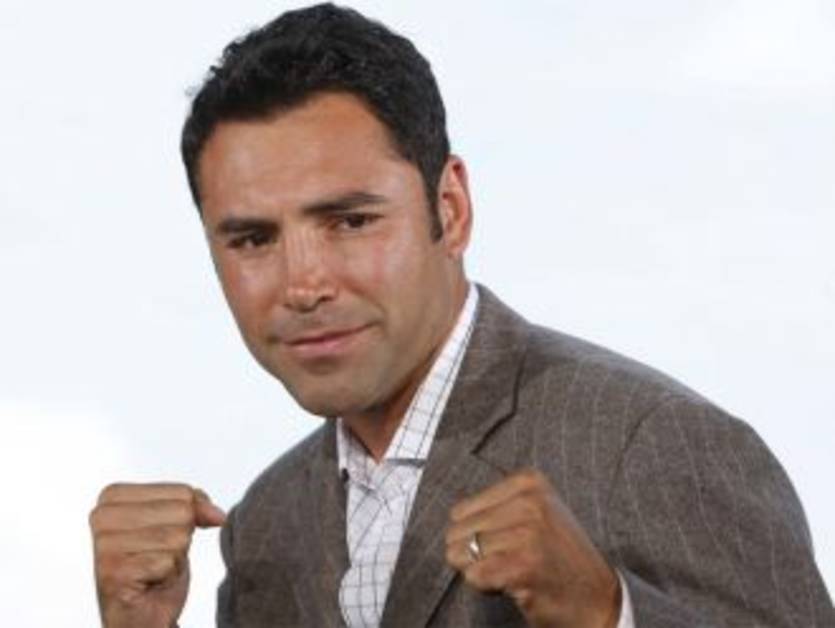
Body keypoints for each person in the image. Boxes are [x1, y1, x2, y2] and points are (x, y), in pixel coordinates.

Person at [88, 4, 834, 627]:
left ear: (449, 209)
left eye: (350, 221)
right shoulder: (265, 526)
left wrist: (609, 616)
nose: (303, 285)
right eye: (253, 239)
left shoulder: (653, 443)